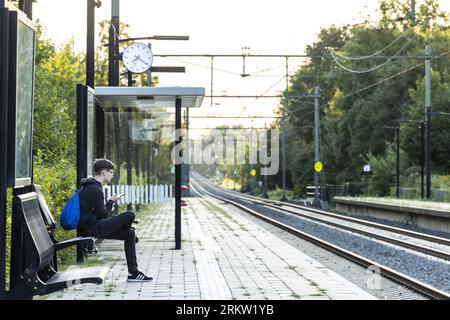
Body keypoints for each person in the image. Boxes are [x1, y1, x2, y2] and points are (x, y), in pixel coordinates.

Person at [77, 158, 152, 282]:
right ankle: (128, 230)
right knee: (130, 215)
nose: (112, 175)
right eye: (111, 172)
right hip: (93, 228)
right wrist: (111, 202)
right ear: (104, 173)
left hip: (91, 226)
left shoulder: (90, 187)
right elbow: (104, 216)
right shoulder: (95, 189)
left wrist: (110, 203)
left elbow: (98, 214)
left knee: (130, 234)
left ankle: (133, 273)